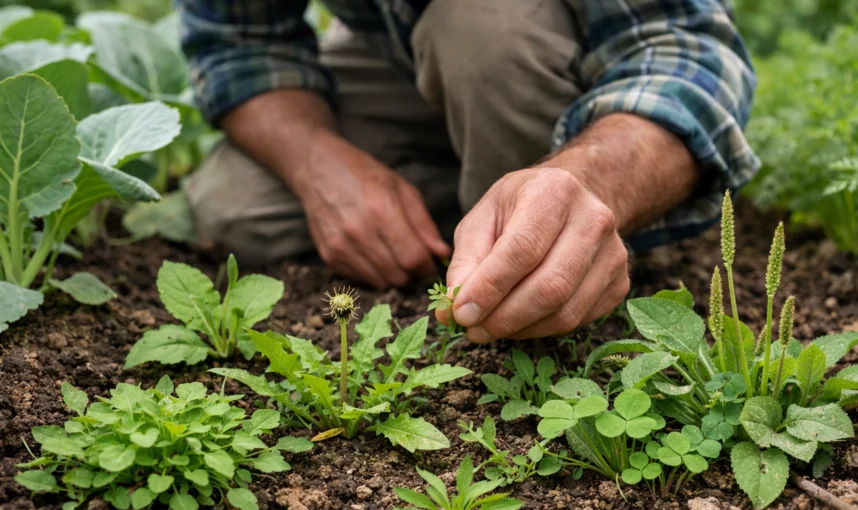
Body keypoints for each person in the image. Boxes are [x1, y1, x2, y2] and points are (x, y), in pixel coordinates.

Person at [180, 0, 759, 344]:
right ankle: (479, 213)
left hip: (542, 49)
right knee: (237, 205)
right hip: (399, 57)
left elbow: (690, 53)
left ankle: (559, 240)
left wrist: (591, 182)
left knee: (482, 33)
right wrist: (322, 168)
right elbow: (240, 47)